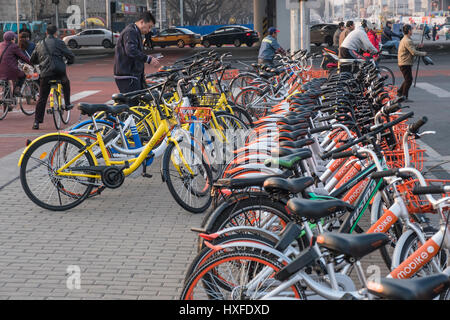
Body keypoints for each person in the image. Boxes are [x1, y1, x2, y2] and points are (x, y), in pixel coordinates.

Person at [30, 25, 75, 130]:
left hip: (45, 74)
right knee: (66, 82)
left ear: (46, 32)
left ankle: (36, 122)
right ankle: (67, 104)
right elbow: (70, 55)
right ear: (56, 33)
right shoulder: (59, 42)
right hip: (59, 71)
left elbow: (33, 59)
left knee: (42, 98)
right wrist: (69, 62)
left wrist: (41, 62)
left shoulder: (39, 44)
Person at [114, 11, 160, 93]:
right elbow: (131, 50)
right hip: (128, 76)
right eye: (149, 27)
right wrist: (148, 59)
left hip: (132, 75)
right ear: (142, 22)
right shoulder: (131, 32)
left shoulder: (135, 31)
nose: (149, 30)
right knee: (133, 103)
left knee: (140, 101)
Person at [397, 24, 427, 103]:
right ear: (409, 31)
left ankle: (400, 92)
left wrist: (418, 46)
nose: (412, 31)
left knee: (407, 79)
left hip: (404, 62)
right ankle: (404, 96)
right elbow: (413, 52)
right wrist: (423, 53)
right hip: (405, 63)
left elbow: (411, 49)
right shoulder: (407, 40)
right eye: (411, 30)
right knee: (409, 80)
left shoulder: (406, 39)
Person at [0, 31, 31, 99]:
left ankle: (7, 103)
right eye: (14, 38)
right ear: (12, 39)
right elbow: (23, 57)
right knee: (23, 74)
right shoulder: (14, 46)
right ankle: (17, 89)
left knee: (6, 84)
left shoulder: (0, 44)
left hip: (1, 70)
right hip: (10, 70)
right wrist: (31, 63)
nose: (15, 39)